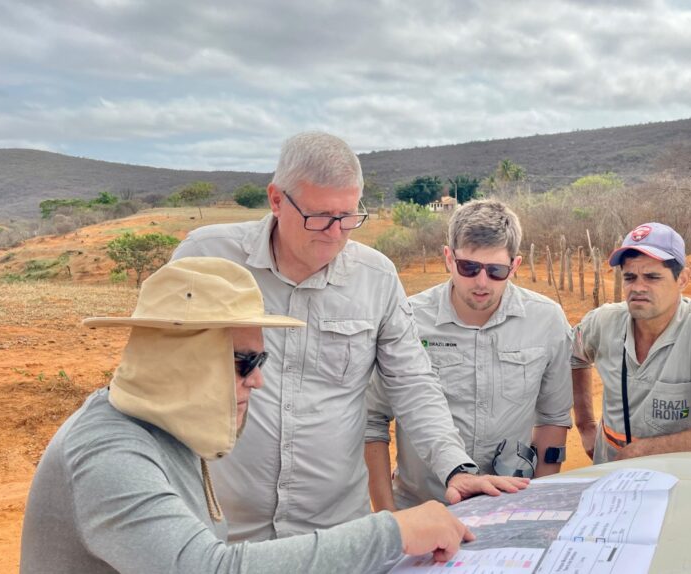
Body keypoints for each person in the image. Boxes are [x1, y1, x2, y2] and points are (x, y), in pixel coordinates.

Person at [170, 132, 525, 541]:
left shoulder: (376, 277)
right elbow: (160, 371)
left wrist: (455, 467)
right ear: (277, 200)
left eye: (348, 216)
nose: (335, 232)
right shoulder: (205, 259)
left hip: (335, 531)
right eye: (320, 216)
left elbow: (413, 382)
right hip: (222, 527)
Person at [20, 257, 475, 573]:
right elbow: (204, 568)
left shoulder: (167, 428)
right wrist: (391, 532)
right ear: (180, 358)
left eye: (262, 361)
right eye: (244, 362)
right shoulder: (108, 452)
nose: (257, 380)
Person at [365, 200, 573, 510]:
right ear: (449, 258)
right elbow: (373, 420)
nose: (481, 282)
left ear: (515, 265)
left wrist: (536, 504)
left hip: (508, 506)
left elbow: (553, 420)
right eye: (469, 268)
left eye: (496, 271)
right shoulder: (407, 320)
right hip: (422, 507)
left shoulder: (547, 321)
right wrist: (388, 514)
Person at [571, 223, 691, 463]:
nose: (638, 287)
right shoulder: (604, 322)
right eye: (630, 277)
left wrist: (644, 451)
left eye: (652, 277)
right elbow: (573, 354)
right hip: (609, 477)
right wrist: (585, 424)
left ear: (682, 279)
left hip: (681, 480)